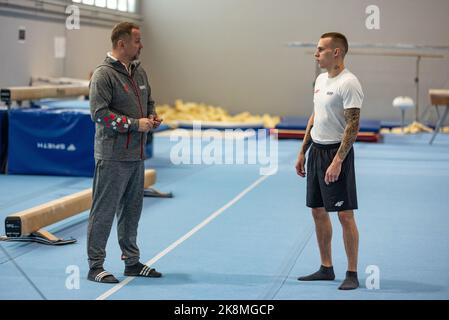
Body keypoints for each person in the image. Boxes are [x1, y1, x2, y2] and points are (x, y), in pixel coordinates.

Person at [87, 22, 163, 283]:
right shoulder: (103, 75)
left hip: (136, 155)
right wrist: (134, 124)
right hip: (112, 156)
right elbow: (99, 115)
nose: (141, 46)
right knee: (104, 212)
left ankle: (131, 261)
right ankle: (95, 266)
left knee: (132, 212)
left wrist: (151, 117)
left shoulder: (139, 72)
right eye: (137, 41)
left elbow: (149, 100)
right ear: (122, 44)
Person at [295, 32, 364, 290]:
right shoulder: (321, 79)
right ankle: (326, 268)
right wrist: (303, 150)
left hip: (338, 153)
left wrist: (338, 161)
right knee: (317, 211)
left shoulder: (349, 83)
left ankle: (352, 273)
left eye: (321, 49)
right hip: (317, 152)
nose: (316, 54)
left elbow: (353, 126)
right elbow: (315, 116)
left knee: (345, 215)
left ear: (336, 52)